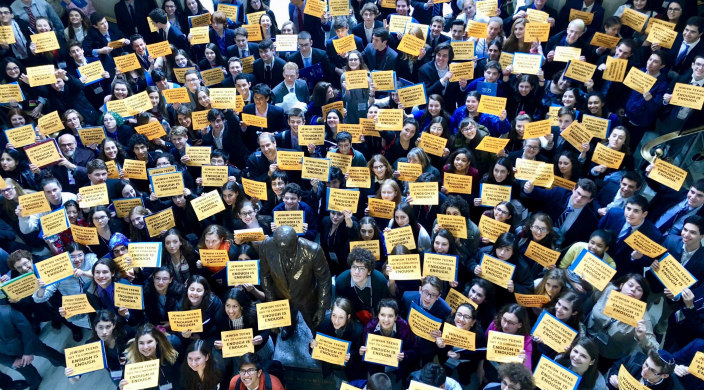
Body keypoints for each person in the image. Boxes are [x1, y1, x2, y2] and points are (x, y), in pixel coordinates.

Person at [259, 225, 331, 338]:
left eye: (288, 249)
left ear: (296, 241)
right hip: (281, 292)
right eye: (280, 249)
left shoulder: (313, 250)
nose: (284, 253)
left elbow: (324, 279)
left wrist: (322, 307)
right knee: (289, 318)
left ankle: (317, 338)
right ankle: (290, 325)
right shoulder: (266, 246)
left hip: (306, 295)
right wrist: (272, 304)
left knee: (315, 324)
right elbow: (264, 275)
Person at [120, 323, 180, 390]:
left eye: (149, 342)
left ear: (156, 341)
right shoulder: (131, 361)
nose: (145, 347)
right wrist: (121, 388)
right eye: (141, 343)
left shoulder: (171, 346)